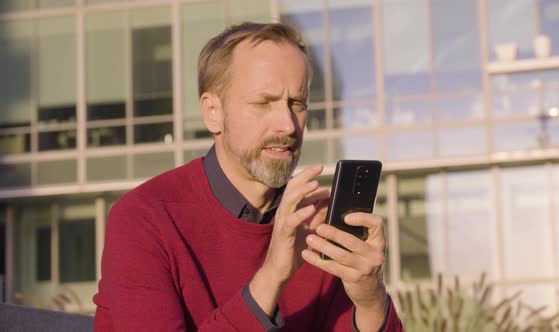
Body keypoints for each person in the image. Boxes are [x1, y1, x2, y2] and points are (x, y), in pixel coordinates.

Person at [93, 22, 404, 332]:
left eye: (297, 104)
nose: (288, 124)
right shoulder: (144, 219)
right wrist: (271, 277)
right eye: (263, 103)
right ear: (212, 112)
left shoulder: (315, 225)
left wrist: (370, 298)